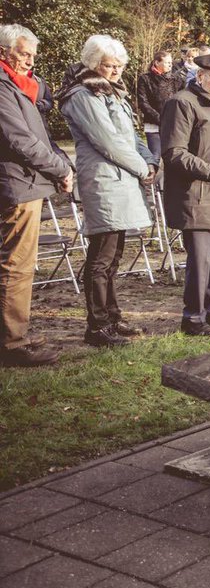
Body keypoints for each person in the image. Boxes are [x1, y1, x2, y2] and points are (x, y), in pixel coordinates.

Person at [60, 35, 156, 346]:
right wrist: (142, 169)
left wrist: (149, 160)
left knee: (113, 255)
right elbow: (108, 141)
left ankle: (112, 316)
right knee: (101, 257)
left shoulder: (113, 93)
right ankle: (97, 326)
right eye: (108, 65)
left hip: (121, 179)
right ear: (92, 63)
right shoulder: (83, 96)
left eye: (119, 65)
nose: (115, 70)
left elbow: (131, 137)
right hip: (104, 181)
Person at [0, 25, 72, 367]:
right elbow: (20, 141)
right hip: (16, 183)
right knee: (17, 265)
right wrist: (60, 169)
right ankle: (12, 345)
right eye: (23, 53)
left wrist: (61, 165)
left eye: (32, 54)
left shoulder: (20, 85)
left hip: (25, 180)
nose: (30, 60)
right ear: (4, 51)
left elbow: (38, 135)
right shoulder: (3, 86)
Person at [161, 53, 210, 336]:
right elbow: (173, 153)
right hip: (195, 196)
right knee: (202, 262)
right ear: (200, 76)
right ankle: (193, 318)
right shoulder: (182, 103)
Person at [135, 49, 183, 163]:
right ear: (157, 62)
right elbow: (143, 102)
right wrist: (160, 119)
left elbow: (181, 99)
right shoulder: (145, 78)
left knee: (173, 158)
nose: (170, 65)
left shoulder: (176, 79)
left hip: (172, 124)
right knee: (155, 156)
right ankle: (152, 180)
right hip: (153, 124)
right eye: (167, 62)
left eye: (171, 63)